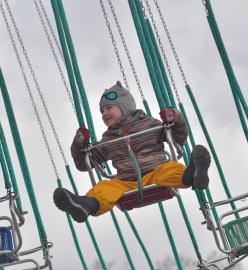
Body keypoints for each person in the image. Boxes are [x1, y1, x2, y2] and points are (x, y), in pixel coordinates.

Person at [53, 81, 211, 223]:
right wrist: (79, 145)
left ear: (124, 107)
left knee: (171, 169)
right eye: (101, 111)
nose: (104, 114)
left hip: (156, 170)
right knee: (106, 187)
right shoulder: (108, 139)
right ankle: (85, 205)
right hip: (126, 181)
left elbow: (178, 137)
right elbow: (84, 164)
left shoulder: (149, 124)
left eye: (109, 108)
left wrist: (174, 119)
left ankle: (194, 175)